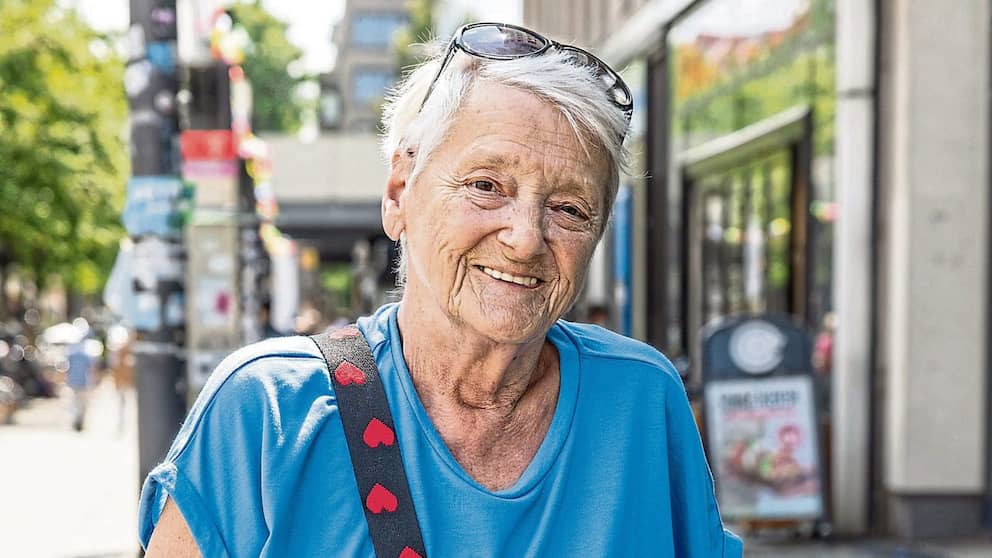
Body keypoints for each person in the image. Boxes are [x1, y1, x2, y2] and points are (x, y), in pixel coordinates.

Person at [140, 22, 742, 557]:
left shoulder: (641, 400)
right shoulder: (269, 413)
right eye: (486, 185)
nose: (526, 237)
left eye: (570, 208)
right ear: (399, 193)